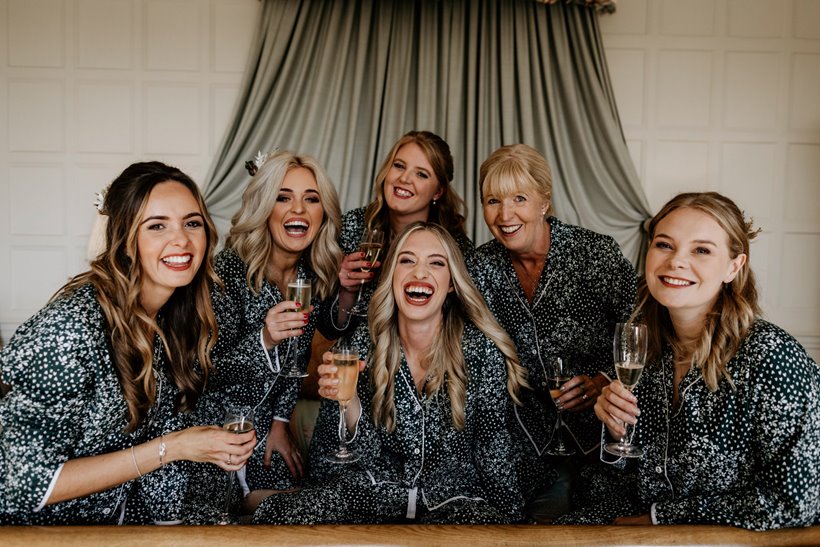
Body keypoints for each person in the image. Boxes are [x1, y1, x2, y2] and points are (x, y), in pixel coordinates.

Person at [0, 162, 255, 524]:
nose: (181, 239)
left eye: (192, 223)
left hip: (121, 524)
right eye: (157, 226)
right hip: (39, 533)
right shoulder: (70, 329)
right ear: (124, 238)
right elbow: (25, 485)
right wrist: (174, 447)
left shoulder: (172, 319)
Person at [567, 192, 820, 530]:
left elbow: (797, 501)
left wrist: (659, 519)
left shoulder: (772, 357)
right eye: (664, 245)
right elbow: (627, 475)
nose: (675, 262)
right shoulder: (644, 347)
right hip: (632, 527)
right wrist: (611, 430)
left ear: (734, 266)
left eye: (701, 250)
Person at [250, 222, 528, 524]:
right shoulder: (357, 346)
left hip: (453, 504)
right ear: (391, 275)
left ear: (451, 283)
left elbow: (493, 453)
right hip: (372, 497)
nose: (419, 274)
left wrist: (511, 526)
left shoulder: (481, 352)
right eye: (406, 261)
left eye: (436, 263)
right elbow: (328, 464)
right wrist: (350, 405)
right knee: (279, 515)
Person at [468, 144, 637, 520]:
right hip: (521, 443)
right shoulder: (479, 267)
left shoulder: (595, 255)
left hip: (603, 439)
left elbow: (641, 328)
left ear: (544, 201)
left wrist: (604, 379)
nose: (505, 214)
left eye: (519, 198)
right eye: (493, 200)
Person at [185, 151, 342, 522]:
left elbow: (299, 361)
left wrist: (281, 423)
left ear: (323, 214)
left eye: (311, 198)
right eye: (283, 197)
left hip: (265, 433)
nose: (298, 209)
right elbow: (202, 372)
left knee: (305, 509)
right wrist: (265, 340)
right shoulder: (225, 272)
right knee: (212, 517)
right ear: (263, 206)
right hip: (210, 427)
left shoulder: (313, 277)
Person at [325, 130, 473, 336]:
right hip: (359, 358)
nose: (404, 178)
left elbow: (461, 327)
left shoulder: (454, 246)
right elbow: (332, 331)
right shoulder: (353, 226)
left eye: (421, 174)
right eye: (399, 166)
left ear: (437, 192)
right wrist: (347, 292)